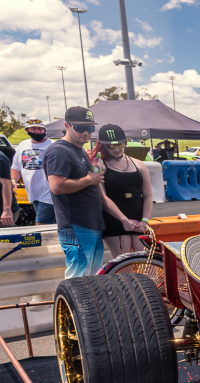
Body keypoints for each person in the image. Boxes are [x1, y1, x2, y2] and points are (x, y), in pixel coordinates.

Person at [46, 107, 144, 278]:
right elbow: (57, 186)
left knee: (91, 276)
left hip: (91, 223)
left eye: (90, 128)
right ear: (67, 125)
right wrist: (90, 180)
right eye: (80, 128)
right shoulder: (59, 151)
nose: (86, 132)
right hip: (76, 223)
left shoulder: (79, 151)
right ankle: (76, 305)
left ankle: (86, 305)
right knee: (79, 276)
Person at [98, 124, 152, 258]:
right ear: (104, 146)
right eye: (111, 146)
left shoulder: (139, 164)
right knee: (124, 265)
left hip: (139, 219)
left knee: (143, 263)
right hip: (115, 220)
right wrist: (123, 220)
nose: (116, 149)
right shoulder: (99, 165)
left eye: (120, 145)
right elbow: (103, 198)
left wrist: (145, 220)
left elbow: (148, 196)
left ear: (125, 143)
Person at [9, 118, 56, 225]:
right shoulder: (22, 145)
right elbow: (16, 167)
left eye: (40, 129)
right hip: (33, 194)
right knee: (52, 225)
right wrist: (13, 180)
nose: (37, 131)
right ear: (27, 130)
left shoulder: (53, 145)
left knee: (40, 226)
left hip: (49, 194)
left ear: (44, 130)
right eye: (33, 129)